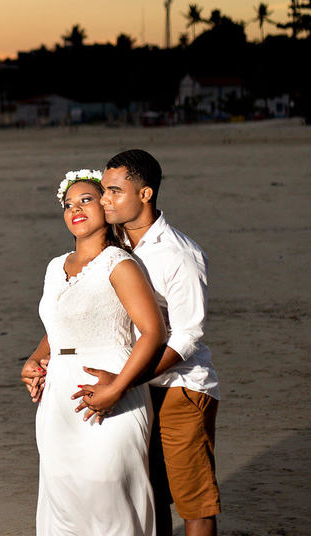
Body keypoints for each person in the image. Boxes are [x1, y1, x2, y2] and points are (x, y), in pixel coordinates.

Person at [22, 169, 167, 536]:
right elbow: (59, 326)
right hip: (58, 396)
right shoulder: (55, 267)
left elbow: (154, 332)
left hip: (112, 385)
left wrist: (118, 387)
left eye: (86, 200)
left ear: (105, 206)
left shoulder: (120, 264)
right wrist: (35, 359)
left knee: (109, 493)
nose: (75, 209)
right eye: (68, 204)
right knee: (64, 497)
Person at [86, 150, 221, 536]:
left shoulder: (180, 254)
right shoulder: (113, 246)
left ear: (145, 194)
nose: (105, 200)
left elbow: (188, 336)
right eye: (103, 191)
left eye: (115, 191)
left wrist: (123, 382)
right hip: (135, 387)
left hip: (181, 389)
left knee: (194, 501)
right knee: (150, 493)